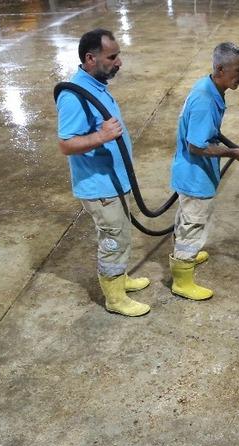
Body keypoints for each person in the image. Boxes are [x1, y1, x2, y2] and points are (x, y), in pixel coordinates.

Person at [55, 28, 150, 317]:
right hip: (100, 187)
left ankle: (120, 280)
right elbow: (66, 144)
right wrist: (102, 137)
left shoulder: (96, 86)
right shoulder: (74, 97)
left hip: (115, 181)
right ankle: (114, 298)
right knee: (113, 238)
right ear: (90, 58)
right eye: (112, 56)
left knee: (122, 233)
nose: (119, 62)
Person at [169, 42, 239, 300]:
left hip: (193, 173)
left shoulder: (208, 86)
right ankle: (182, 281)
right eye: (238, 70)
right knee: (193, 224)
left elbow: (208, 132)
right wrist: (234, 153)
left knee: (189, 219)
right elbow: (196, 146)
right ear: (219, 68)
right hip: (194, 175)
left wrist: (233, 146)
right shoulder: (206, 100)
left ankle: (187, 256)